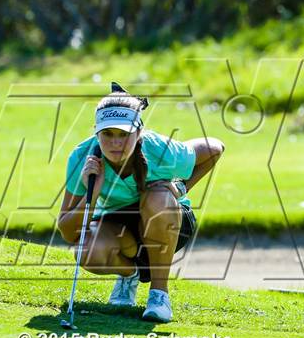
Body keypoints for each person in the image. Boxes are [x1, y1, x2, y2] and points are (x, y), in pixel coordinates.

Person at [58, 82, 225, 323]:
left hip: (169, 220)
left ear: (139, 134)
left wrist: (180, 187)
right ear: (96, 132)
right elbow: (67, 230)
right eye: (108, 134)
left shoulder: (158, 148)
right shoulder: (83, 157)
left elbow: (215, 148)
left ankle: (159, 295)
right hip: (119, 224)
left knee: (156, 196)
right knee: (86, 251)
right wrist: (91, 195)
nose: (116, 143)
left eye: (124, 135)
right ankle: (130, 275)